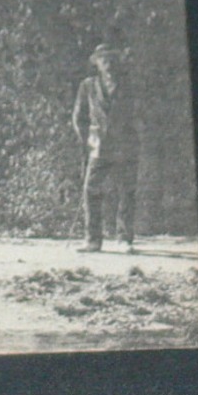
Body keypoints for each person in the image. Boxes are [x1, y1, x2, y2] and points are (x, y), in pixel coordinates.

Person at [72, 42, 139, 253]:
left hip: (125, 146)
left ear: (117, 62)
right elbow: (79, 117)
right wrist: (87, 140)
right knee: (91, 190)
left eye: (111, 59)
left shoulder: (130, 85)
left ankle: (124, 239)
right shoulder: (88, 85)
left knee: (126, 191)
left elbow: (141, 115)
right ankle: (93, 240)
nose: (108, 63)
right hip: (98, 147)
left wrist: (134, 136)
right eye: (103, 60)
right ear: (97, 63)